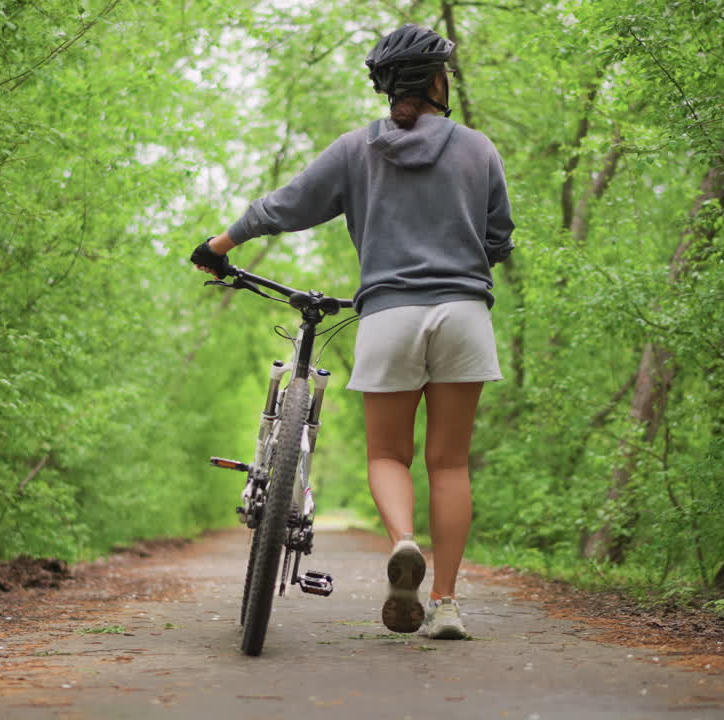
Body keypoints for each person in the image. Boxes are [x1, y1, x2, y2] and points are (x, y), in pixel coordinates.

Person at [191, 24, 513, 640]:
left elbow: (284, 206)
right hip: (465, 316)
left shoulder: (355, 151)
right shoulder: (479, 150)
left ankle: (403, 542)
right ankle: (445, 604)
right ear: (435, 83)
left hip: (390, 314)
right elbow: (498, 239)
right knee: (449, 464)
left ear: (389, 89)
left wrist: (219, 245)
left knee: (388, 455)